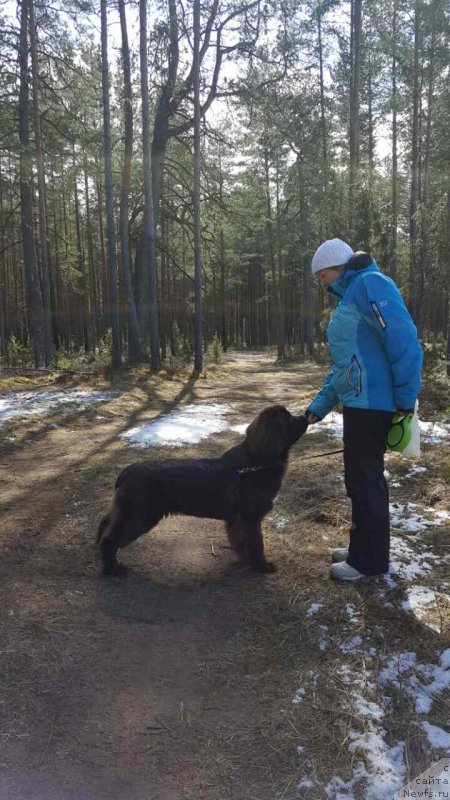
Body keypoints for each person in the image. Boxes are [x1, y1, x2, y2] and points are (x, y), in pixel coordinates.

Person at [305, 238, 423, 582]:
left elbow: (403, 339)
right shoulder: (353, 293)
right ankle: (363, 548)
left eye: (322, 274)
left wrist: (406, 397)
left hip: (374, 404)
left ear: (335, 266)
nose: (321, 282)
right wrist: (320, 407)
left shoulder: (371, 284)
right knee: (360, 481)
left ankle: (368, 562)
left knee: (365, 481)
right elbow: (344, 366)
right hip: (360, 403)